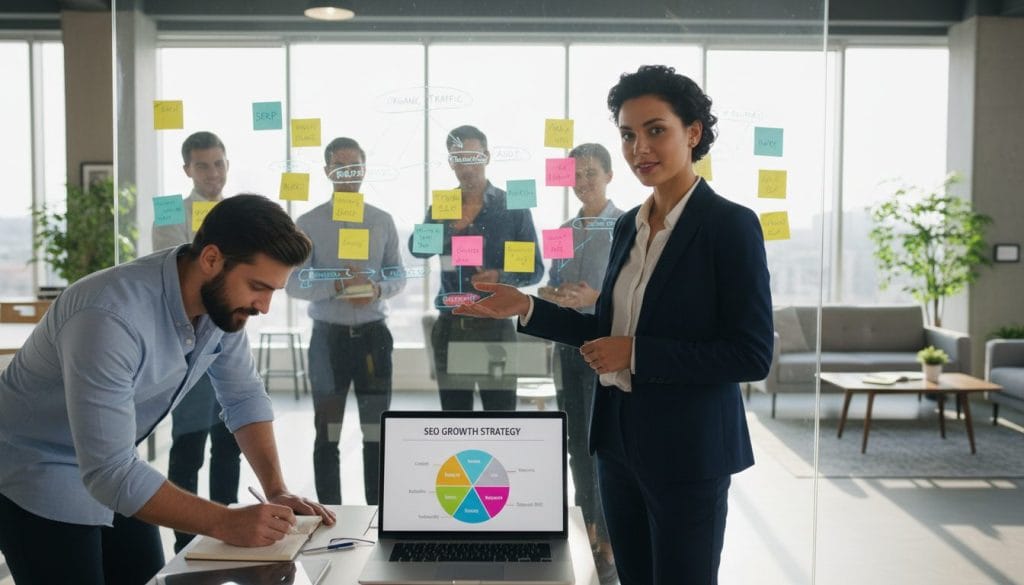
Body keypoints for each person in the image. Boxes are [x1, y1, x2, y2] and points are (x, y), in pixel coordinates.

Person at [453, 65, 773, 585]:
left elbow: (751, 354)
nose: (639, 147)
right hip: (618, 444)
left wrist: (637, 353)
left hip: (688, 451)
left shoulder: (730, 226)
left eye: (655, 130)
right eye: (628, 134)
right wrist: (526, 307)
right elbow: (600, 332)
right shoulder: (627, 225)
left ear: (692, 133)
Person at [0, 194, 335, 585]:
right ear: (211, 259)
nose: (264, 306)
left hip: (114, 464)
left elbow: (243, 396)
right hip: (36, 470)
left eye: (274, 291)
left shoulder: (220, 305)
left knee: (148, 577)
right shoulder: (108, 317)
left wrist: (276, 490)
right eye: (258, 287)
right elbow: (109, 472)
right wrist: (225, 523)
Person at [285, 137, 405, 505]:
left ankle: (376, 514)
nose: (349, 174)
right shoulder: (307, 223)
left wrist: (378, 289)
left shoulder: (381, 221)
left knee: (376, 433)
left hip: (373, 336)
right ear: (327, 172)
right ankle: (330, 515)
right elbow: (294, 283)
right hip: (328, 340)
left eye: (355, 167)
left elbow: (398, 274)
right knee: (327, 434)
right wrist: (337, 283)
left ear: (364, 170)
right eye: (340, 167)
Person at [408, 125, 544, 411]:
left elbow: (534, 269)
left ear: (487, 156)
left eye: (472, 157)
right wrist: (448, 227)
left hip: (496, 326)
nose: (466, 166)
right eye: (458, 158)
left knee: (502, 417)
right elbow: (417, 249)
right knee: (456, 421)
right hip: (451, 326)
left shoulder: (512, 206)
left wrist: (500, 277)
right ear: (451, 163)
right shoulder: (443, 206)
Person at [152, 130, 243, 552]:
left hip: (230, 341)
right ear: (187, 169)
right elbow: (182, 278)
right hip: (187, 345)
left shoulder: (242, 214)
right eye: (203, 165)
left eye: (219, 163)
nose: (213, 173)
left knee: (230, 442)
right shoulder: (172, 212)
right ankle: (184, 539)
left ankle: (227, 522)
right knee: (189, 443)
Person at [537, 142, 622, 581]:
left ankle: (609, 536)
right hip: (567, 347)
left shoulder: (626, 227)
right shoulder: (563, 229)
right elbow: (553, 281)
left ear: (609, 175)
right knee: (575, 446)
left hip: (605, 348)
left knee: (604, 445)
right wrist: (554, 294)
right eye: (576, 174)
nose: (583, 181)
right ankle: (588, 526)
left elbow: (632, 296)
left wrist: (593, 297)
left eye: (591, 172)